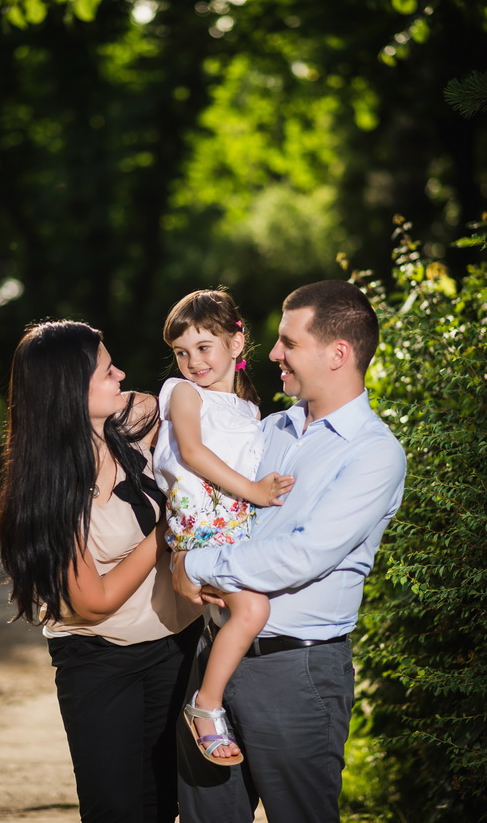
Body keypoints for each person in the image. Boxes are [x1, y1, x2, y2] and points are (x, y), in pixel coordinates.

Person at [172, 280, 407, 823]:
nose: (273, 353)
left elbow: (300, 558)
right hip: (214, 656)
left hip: (297, 674)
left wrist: (194, 564)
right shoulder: (265, 428)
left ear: (338, 353)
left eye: (288, 342)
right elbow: (203, 501)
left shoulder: (375, 454)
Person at [0, 319, 203, 823]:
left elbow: (165, 401)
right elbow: (94, 600)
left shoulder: (125, 433)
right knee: (117, 807)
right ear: (70, 389)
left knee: (171, 799)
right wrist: (167, 532)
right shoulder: (46, 489)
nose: (122, 375)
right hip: (101, 661)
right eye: (108, 371)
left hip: (176, 645)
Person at [154, 290, 293, 767]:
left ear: (236, 342)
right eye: (181, 352)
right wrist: (256, 491)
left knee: (239, 623)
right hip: (203, 532)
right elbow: (192, 452)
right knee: (251, 610)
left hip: (239, 537)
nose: (192, 361)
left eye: (203, 347)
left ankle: (225, 709)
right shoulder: (182, 393)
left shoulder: (251, 412)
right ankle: (204, 707)